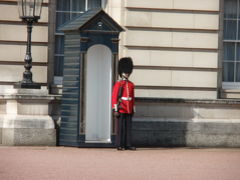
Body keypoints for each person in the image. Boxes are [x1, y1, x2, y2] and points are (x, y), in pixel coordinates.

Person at [112, 57, 136, 151]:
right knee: (121, 128)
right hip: (121, 108)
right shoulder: (119, 84)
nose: (127, 73)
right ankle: (119, 144)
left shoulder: (131, 84)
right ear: (122, 72)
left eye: (128, 72)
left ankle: (128, 144)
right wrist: (115, 109)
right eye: (126, 72)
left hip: (129, 108)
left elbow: (132, 98)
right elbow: (114, 97)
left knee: (128, 128)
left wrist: (133, 109)